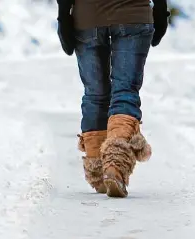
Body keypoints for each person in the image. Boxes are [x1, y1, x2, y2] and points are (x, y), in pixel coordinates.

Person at [57, 0, 170, 198]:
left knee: (95, 95)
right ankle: (115, 166)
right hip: (133, 15)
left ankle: (98, 170)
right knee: (125, 91)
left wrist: (63, 15)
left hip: (87, 16)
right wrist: (161, 10)